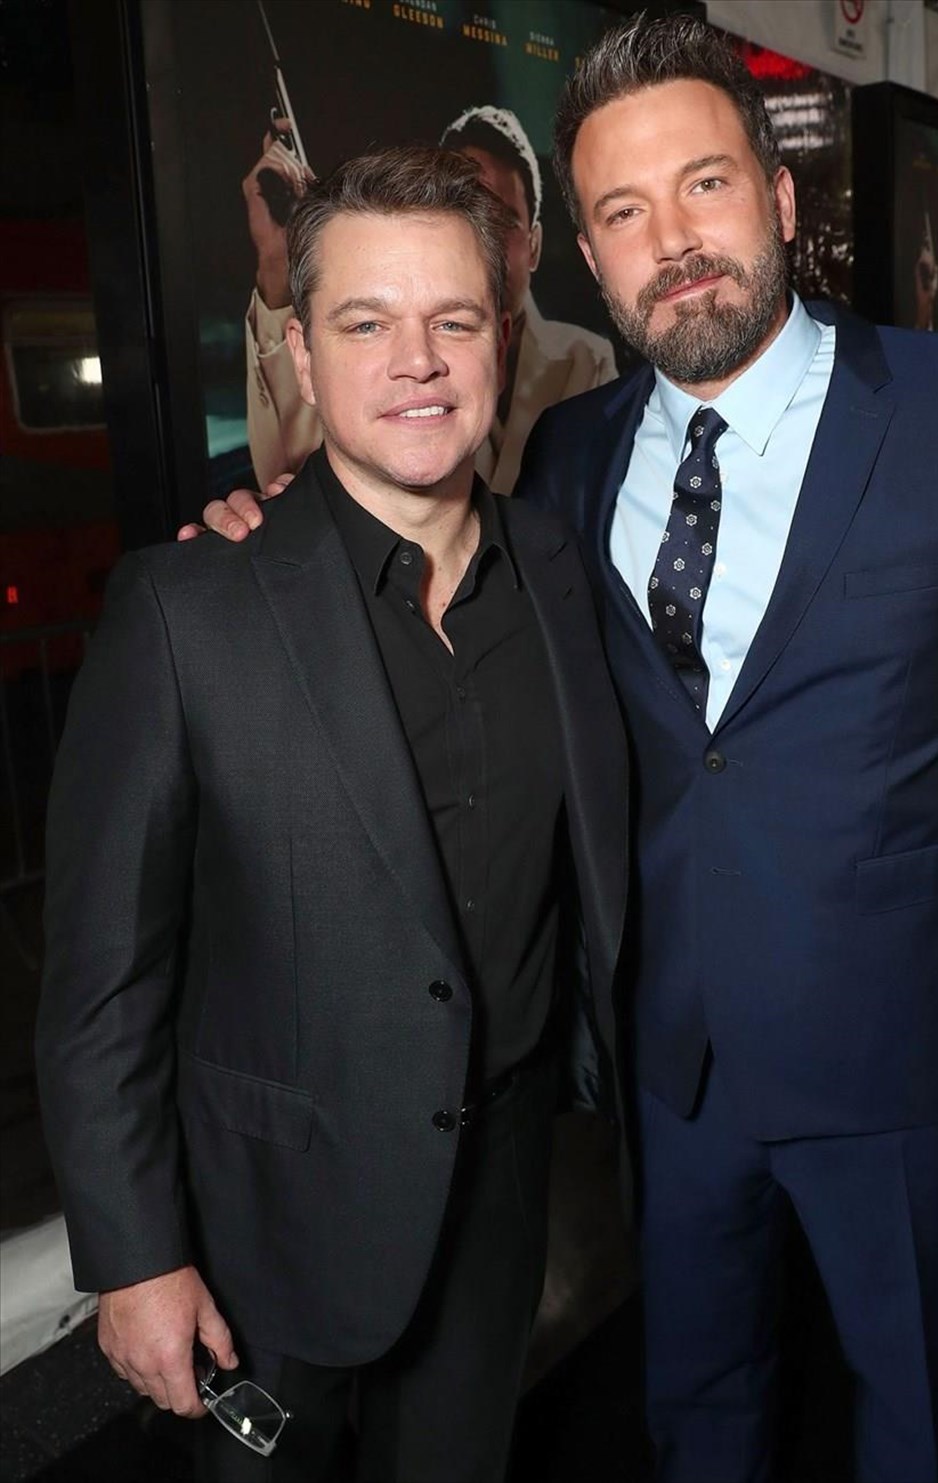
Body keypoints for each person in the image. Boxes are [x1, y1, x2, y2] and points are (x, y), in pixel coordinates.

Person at [196, 16, 938, 1483]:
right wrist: (269, 525)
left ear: (777, 199)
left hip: (906, 1060)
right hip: (674, 1069)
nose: (674, 242)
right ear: (587, 258)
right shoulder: (571, 451)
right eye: (624, 211)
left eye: (704, 185)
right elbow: (419, 558)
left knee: (917, 1415)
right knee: (694, 1410)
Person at [37, 145, 627, 1483]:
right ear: (302, 354)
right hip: (267, 1228)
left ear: (505, 341)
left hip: (500, 1198)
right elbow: (102, 983)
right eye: (366, 323)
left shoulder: (560, 570)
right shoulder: (189, 609)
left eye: (454, 321)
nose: (416, 361)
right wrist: (134, 1255)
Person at [243, 104, 617, 494]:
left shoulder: (587, 359)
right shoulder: (345, 374)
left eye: (502, 222)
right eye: (368, 326)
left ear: (534, 244)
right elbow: (289, 469)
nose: (419, 362)